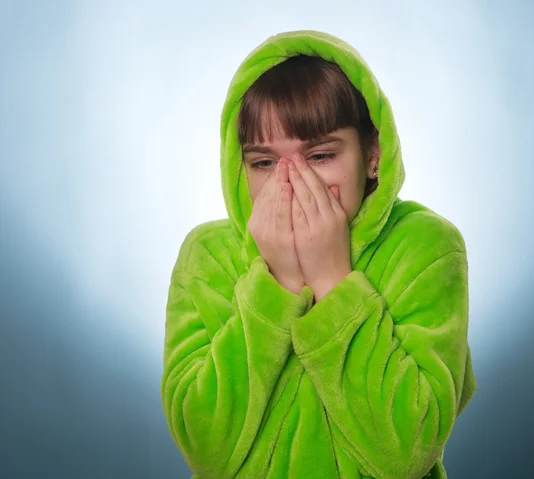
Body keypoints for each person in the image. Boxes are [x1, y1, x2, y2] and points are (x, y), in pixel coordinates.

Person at [160, 30, 477, 479]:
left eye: (321, 155)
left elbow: (406, 453)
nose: (290, 183)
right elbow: (206, 450)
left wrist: (332, 280)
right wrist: (277, 284)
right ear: (239, 165)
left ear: (372, 155)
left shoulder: (426, 247)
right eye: (264, 163)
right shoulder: (207, 255)